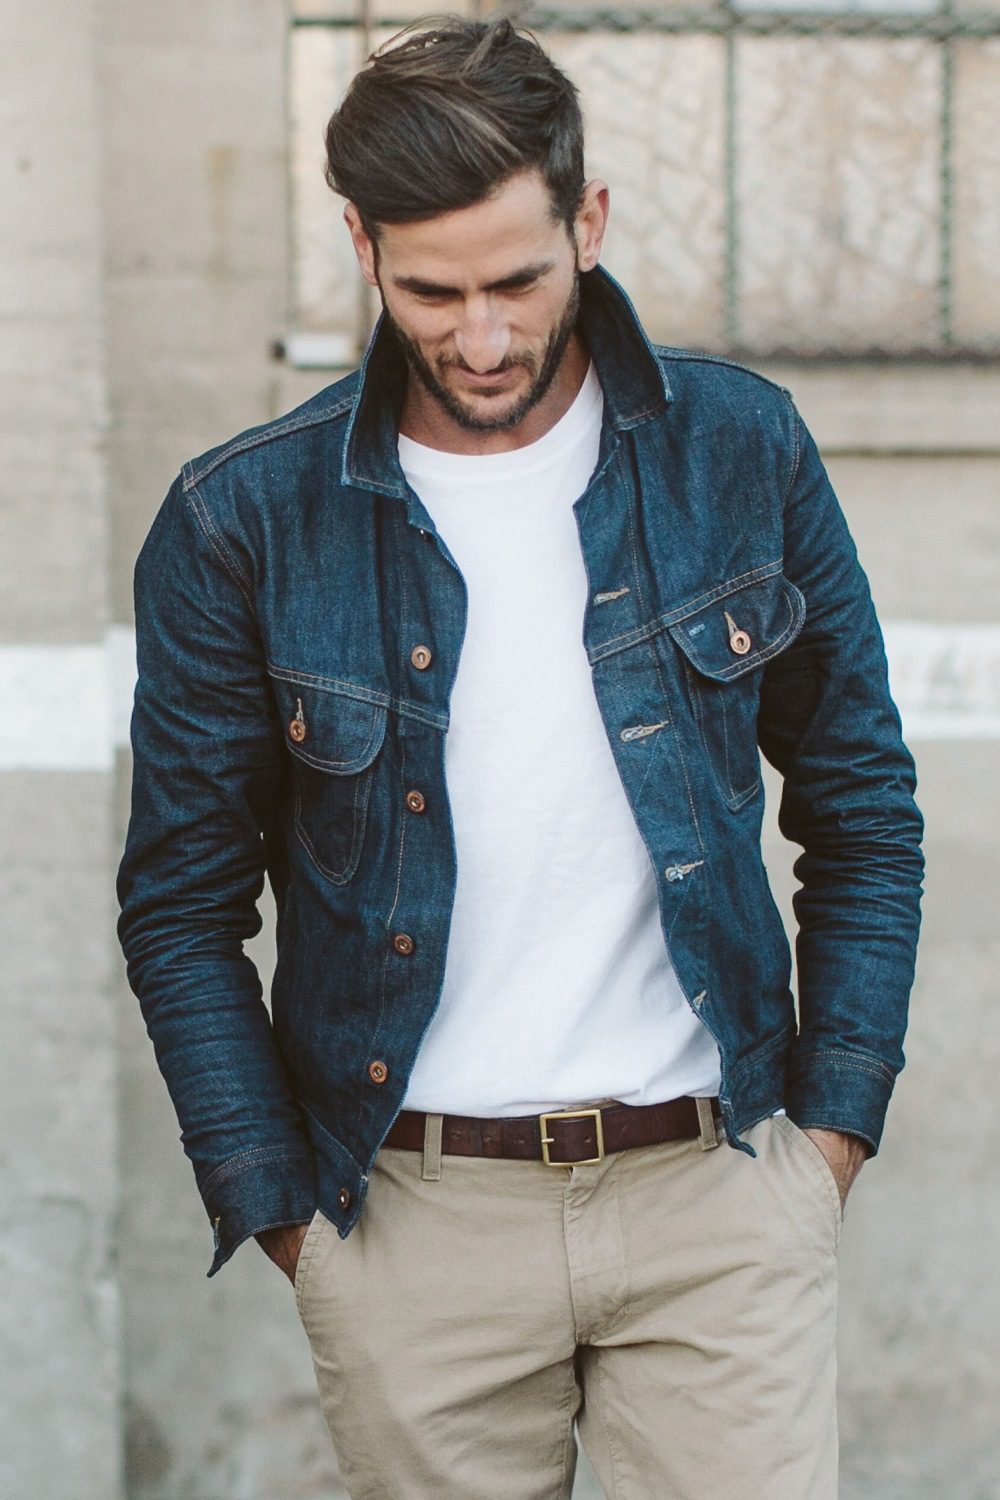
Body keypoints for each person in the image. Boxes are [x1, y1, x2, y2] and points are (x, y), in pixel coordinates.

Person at [116, 16, 924, 1499]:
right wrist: (284, 1216)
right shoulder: (245, 521)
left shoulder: (740, 449)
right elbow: (179, 905)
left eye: (518, 283)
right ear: (361, 246)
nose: (480, 339)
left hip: (716, 1198)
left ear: (587, 224)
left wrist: (831, 1138)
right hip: (412, 1221)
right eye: (431, 292)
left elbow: (863, 804)